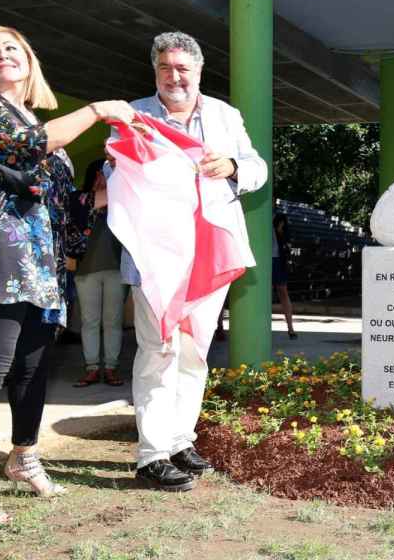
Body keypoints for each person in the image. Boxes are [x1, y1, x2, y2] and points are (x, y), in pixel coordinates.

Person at [0, 25, 135, 526]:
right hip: (0, 255)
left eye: (11, 48)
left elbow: (66, 206)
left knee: (34, 365)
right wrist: (97, 110)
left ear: (29, 62)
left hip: (43, 262)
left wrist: (115, 189)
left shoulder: (30, 116)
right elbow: (23, 148)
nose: (1, 56)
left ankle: (23, 456)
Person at [122, 32, 266, 491]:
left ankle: (181, 440)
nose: (174, 76)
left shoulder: (225, 115)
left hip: (209, 251)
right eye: (165, 68)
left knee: (193, 352)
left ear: (199, 71)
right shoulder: (135, 114)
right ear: (155, 72)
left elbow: (257, 167)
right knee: (158, 350)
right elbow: (115, 172)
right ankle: (152, 456)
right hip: (156, 255)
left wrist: (234, 167)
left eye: (182, 68)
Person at [68, 158, 126, 387]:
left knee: (113, 321)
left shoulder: (122, 201)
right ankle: (91, 368)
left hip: (117, 269)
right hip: (85, 270)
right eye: (101, 173)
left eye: (109, 173)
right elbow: (76, 222)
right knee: (89, 321)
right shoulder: (78, 200)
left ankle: (111, 368)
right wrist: (97, 196)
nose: (104, 178)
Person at [273, 213, 297, 340]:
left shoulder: (280, 219)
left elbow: (287, 243)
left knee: (283, 291)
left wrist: (279, 231)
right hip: (266, 261)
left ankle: (290, 328)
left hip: (278, 261)